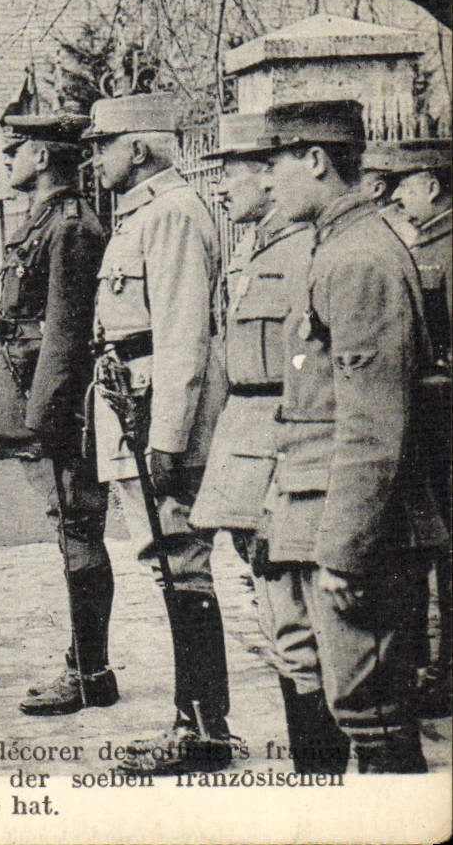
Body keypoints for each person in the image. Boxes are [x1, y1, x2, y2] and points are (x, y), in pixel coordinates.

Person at [249, 100, 447, 772]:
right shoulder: (333, 247)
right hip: (313, 505)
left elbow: (372, 425)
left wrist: (341, 551)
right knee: (338, 697)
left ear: (314, 159)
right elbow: (313, 392)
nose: (265, 180)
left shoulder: (358, 259)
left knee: (371, 710)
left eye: (273, 162)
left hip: (362, 525)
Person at [84, 92, 231, 774]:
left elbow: (180, 335)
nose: (95, 157)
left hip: (156, 418)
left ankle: (202, 729)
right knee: (166, 563)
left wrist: (167, 436)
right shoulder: (143, 213)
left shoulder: (169, 214)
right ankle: (192, 721)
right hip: (131, 408)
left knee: (180, 561)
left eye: (101, 144)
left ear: (136, 148)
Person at [189, 115, 342, 769]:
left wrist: (293, 396)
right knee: (271, 607)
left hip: (283, 439)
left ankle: (321, 769)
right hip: (243, 442)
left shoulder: (302, 249)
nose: (220, 187)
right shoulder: (248, 249)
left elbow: (309, 357)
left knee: (294, 614)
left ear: (267, 171)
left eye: (228, 172)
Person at [0, 113, 113, 718]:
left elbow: (65, 330)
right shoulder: (46, 220)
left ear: (40, 157)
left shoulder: (72, 226)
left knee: (79, 530)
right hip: (39, 394)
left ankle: (91, 673)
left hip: (60, 405)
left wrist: (47, 418)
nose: (8, 159)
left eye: (16, 150)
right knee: (70, 529)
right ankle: (85, 665)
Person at [379, 137, 452, 716]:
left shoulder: (448, 246)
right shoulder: (421, 242)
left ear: (430, 185)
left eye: (404, 184)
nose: (398, 196)